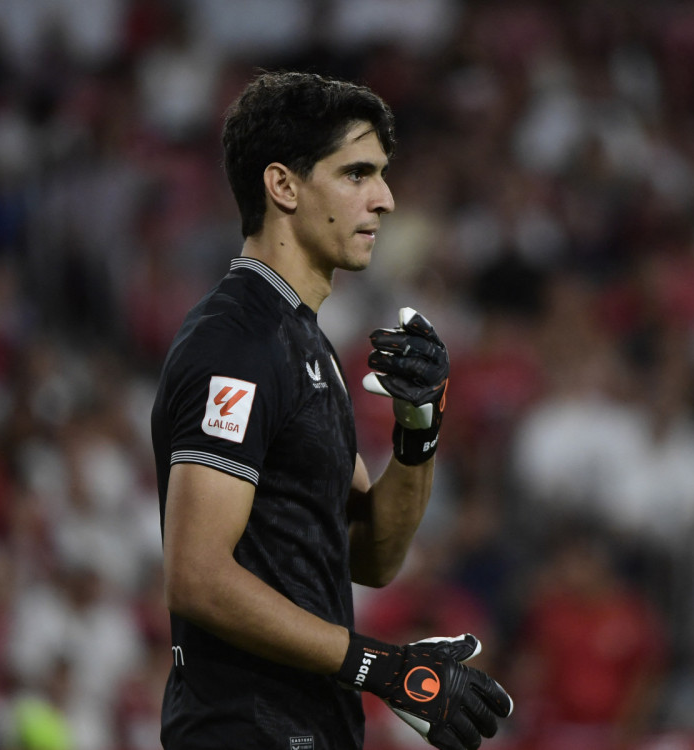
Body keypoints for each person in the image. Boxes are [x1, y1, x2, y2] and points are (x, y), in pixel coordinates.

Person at [149, 71, 513, 750]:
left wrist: (419, 427)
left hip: (307, 726)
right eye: (356, 174)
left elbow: (371, 557)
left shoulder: (303, 342)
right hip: (242, 729)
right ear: (283, 186)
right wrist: (380, 666)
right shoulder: (238, 344)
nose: (386, 198)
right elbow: (196, 574)